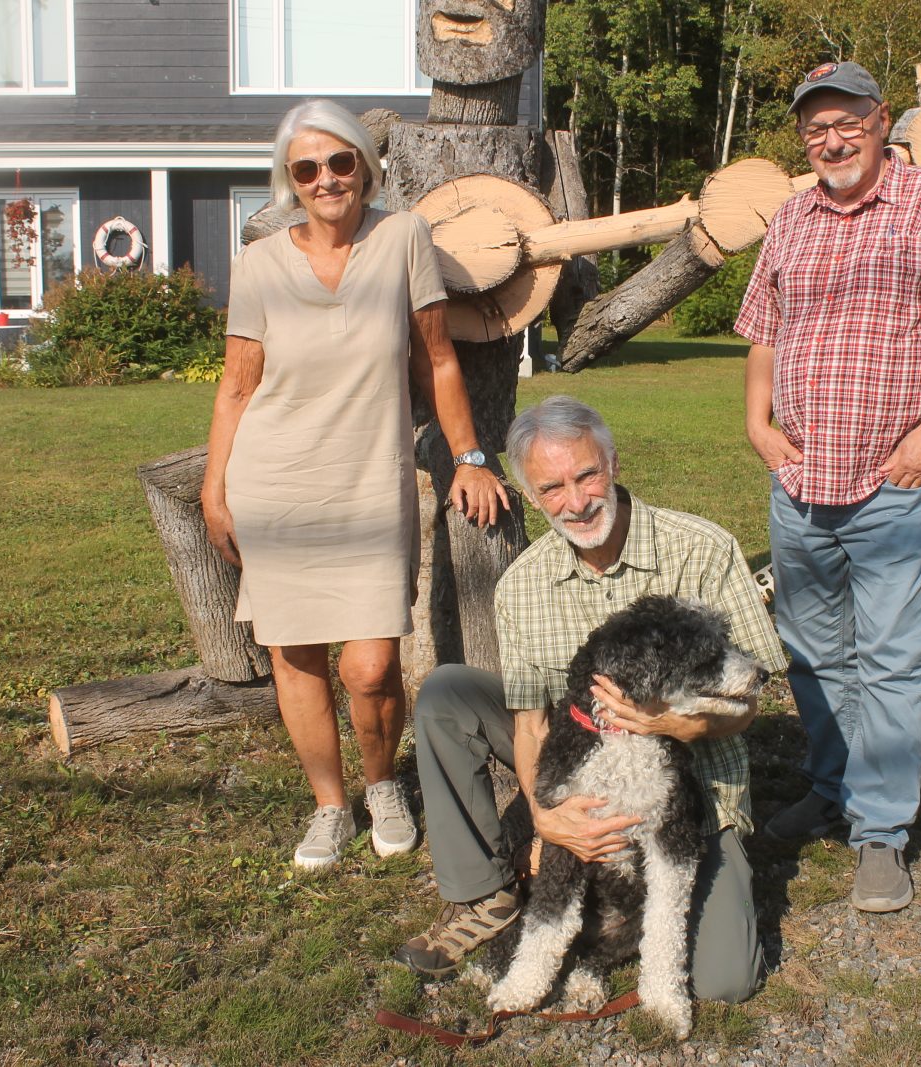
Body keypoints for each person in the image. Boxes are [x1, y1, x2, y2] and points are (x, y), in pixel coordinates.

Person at [393, 396, 786, 1003]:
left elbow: (751, 702)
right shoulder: (522, 583)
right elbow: (529, 723)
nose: (575, 502)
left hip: (692, 783)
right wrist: (547, 820)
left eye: (587, 475)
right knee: (447, 694)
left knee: (726, 982)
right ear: (529, 494)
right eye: (551, 488)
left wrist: (677, 725)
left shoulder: (702, 548)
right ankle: (483, 893)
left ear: (613, 462)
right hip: (573, 750)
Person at [202, 100, 509, 872]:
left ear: (366, 167)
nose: (327, 178)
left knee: (369, 664)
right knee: (295, 656)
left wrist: (469, 456)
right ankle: (329, 805)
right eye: (307, 168)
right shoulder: (260, 264)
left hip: (370, 480)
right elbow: (238, 387)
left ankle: (382, 785)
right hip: (274, 479)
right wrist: (215, 485)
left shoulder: (402, 237)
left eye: (341, 162)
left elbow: (437, 358)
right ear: (289, 183)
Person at [735, 62, 921, 912]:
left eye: (845, 119)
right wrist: (759, 425)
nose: (830, 138)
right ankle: (830, 789)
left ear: (880, 118)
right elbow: (763, 332)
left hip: (895, 480)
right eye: (814, 126)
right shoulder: (790, 217)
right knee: (815, 655)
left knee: (891, 663)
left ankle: (882, 834)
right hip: (802, 480)